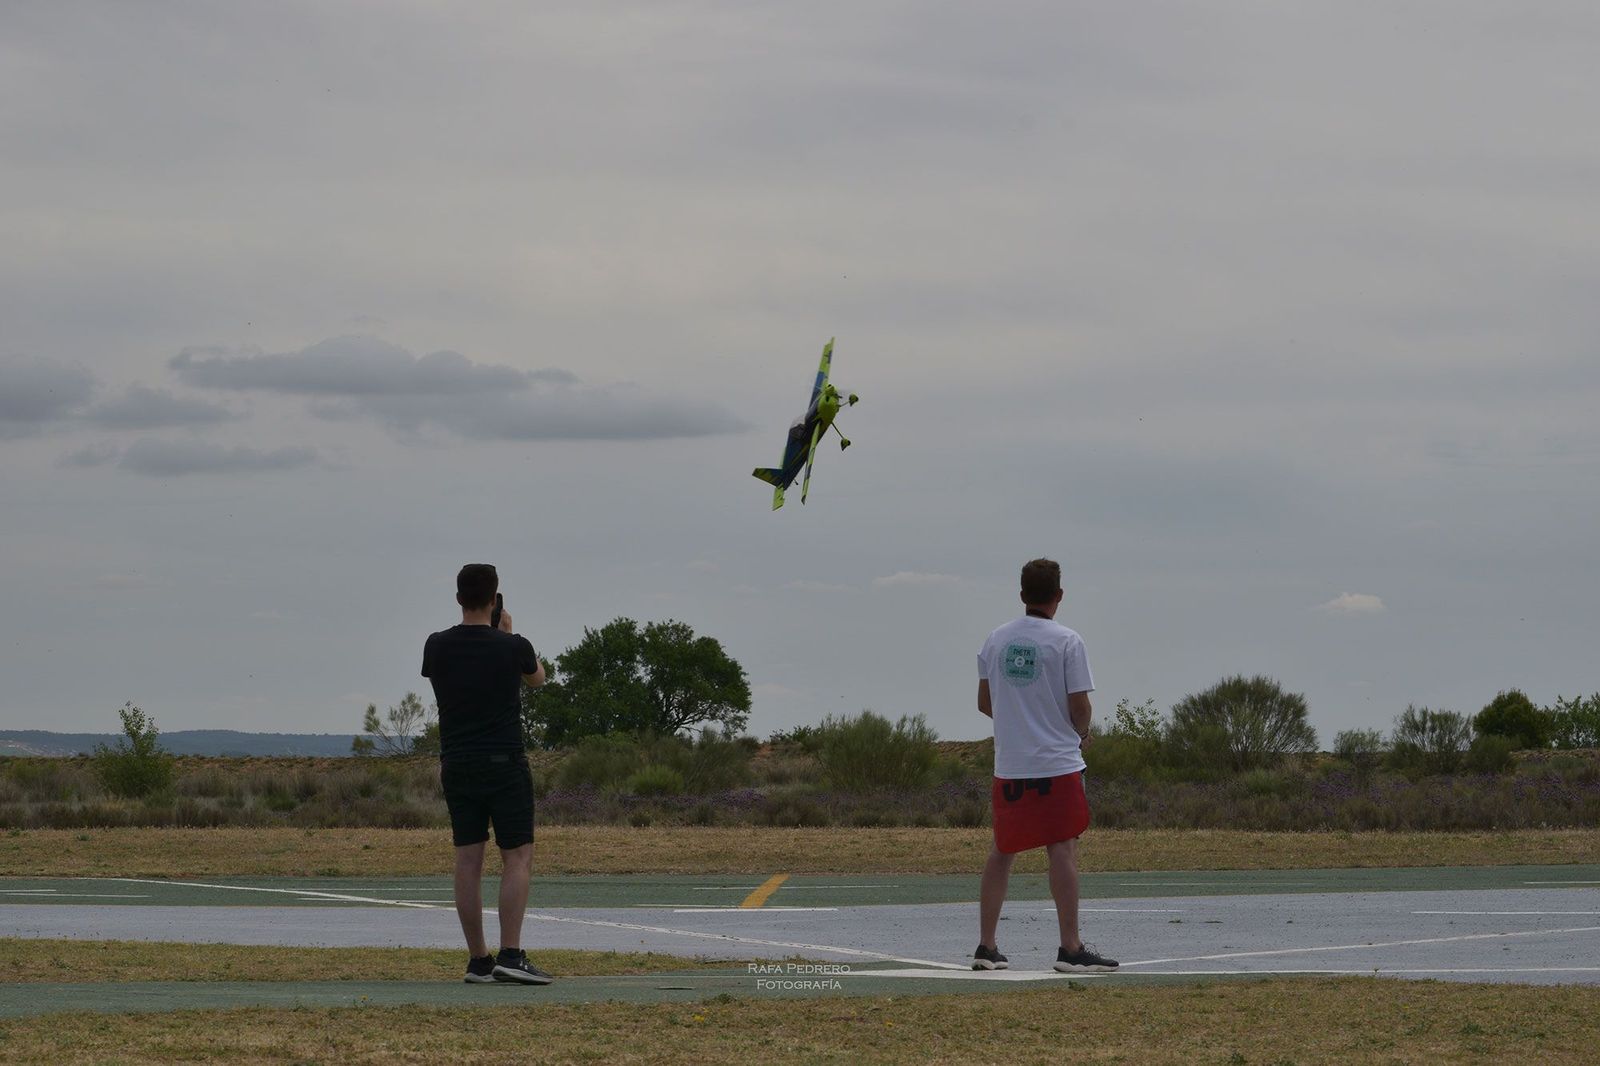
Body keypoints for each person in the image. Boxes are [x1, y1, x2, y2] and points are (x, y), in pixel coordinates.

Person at [974, 558, 1118, 973]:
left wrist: (1017, 723)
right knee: (1062, 847)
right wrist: (1081, 732)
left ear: (1022, 594)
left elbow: (985, 702)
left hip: (1011, 765)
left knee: (1002, 849)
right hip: (1057, 762)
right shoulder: (1068, 641)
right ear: (1059, 595)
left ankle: (986, 946)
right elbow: (1080, 705)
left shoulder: (995, 640)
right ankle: (1070, 948)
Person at [421, 563, 550, 985]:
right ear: (494, 600)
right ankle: (511, 954)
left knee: (467, 860)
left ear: (459, 599)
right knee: (517, 857)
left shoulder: (436, 646)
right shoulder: (513, 646)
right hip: (504, 763)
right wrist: (508, 634)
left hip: (457, 763)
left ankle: (478, 960)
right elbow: (538, 679)